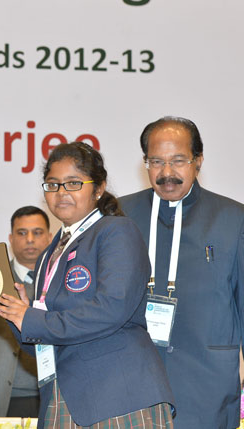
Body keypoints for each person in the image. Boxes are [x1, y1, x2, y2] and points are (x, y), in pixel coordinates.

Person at [0, 142, 174, 428]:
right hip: (63, 397)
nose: (61, 193)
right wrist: (17, 317)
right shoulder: (49, 254)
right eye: (52, 185)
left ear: (99, 188)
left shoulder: (116, 231)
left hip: (116, 397)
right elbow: (46, 341)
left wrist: (33, 319)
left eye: (73, 183)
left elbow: (111, 308)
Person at [120, 116, 244, 429]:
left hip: (209, 389)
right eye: (156, 162)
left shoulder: (233, 219)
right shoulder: (118, 216)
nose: (167, 174)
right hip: (130, 385)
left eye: (178, 161)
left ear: (198, 161)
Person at [0, 206, 51, 417]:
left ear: (50, 237)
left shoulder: (61, 282)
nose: (29, 239)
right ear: (10, 238)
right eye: (21, 233)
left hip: (50, 394)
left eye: (37, 232)